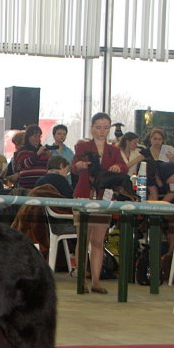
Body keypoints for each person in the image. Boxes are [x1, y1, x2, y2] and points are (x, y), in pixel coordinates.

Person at [72, 112, 127, 294]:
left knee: (98, 241)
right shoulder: (83, 146)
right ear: (92, 128)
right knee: (83, 238)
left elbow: (124, 167)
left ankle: (96, 281)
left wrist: (118, 167)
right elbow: (73, 166)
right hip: (84, 195)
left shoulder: (114, 150)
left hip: (104, 198)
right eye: (98, 127)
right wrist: (79, 166)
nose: (102, 131)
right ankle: (81, 278)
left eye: (105, 128)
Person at [14, 124, 52, 190]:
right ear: (28, 137)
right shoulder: (22, 150)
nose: (38, 139)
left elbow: (49, 167)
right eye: (35, 136)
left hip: (41, 187)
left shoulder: (44, 151)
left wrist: (50, 156)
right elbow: (26, 164)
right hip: (26, 188)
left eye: (39, 136)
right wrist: (38, 153)